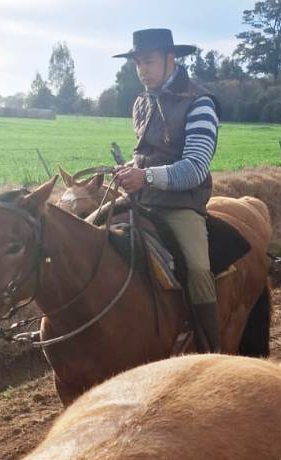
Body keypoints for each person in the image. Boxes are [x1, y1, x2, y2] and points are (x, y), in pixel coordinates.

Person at [113, 29, 221, 353]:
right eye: (138, 63)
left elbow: (195, 168)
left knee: (199, 269)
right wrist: (128, 170)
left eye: (148, 61)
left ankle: (210, 350)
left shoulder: (200, 103)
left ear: (170, 59)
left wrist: (143, 176)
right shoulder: (142, 102)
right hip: (143, 198)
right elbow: (145, 152)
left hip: (181, 205)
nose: (142, 70)